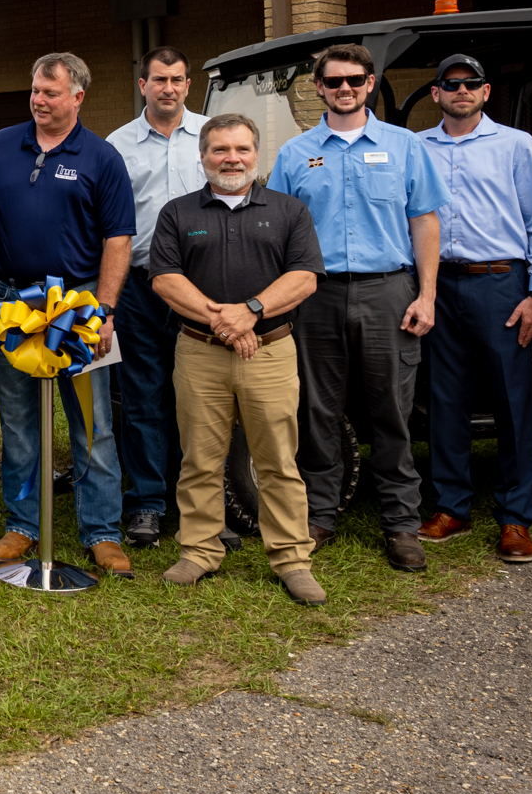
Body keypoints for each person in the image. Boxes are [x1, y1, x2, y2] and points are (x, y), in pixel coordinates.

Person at [266, 42, 446, 573]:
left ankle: (401, 523)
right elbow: (280, 231)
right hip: (315, 296)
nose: (344, 88)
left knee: (392, 407)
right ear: (318, 88)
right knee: (319, 408)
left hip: (388, 291)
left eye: (355, 80)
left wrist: (427, 295)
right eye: (334, 81)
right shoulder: (296, 154)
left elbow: (425, 222)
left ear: (370, 84)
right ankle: (321, 514)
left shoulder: (405, 146)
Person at [148, 114, 327, 605]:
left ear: (256, 154)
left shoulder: (289, 211)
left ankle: (292, 559)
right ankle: (199, 551)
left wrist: (251, 312)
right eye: (220, 150)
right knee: (199, 460)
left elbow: (306, 277)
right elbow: (164, 279)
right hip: (200, 354)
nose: (232, 159)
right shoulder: (177, 213)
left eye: (242, 149)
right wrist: (225, 324)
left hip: (269, 352)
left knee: (277, 461)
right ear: (202, 157)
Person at [0, 52, 136, 579]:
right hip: (15, 305)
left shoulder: (102, 157)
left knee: (93, 424)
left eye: (51, 93)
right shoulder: (0, 146)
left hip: (79, 308)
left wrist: (105, 309)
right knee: (17, 420)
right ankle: (22, 525)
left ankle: (103, 532)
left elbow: (118, 239)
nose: (39, 101)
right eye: (35, 91)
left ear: (78, 97)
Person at [416, 54, 532, 563]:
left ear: (485, 91)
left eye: (470, 83)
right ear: (435, 93)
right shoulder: (416, 147)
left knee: (510, 402)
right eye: (450, 83)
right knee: (444, 401)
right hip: (437, 285)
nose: (461, 90)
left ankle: (516, 517)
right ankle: (451, 507)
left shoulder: (516, 145)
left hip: (500, 284)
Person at [104, 47, 208, 550]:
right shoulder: (116, 146)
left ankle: (202, 508)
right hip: (139, 290)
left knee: (202, 399)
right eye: (159, 79)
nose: (169, 88)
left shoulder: (213, 137)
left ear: (190, 85)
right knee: (143, 397)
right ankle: (146, 504)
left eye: (178, 79)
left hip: (204, 289)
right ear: (141, 84)